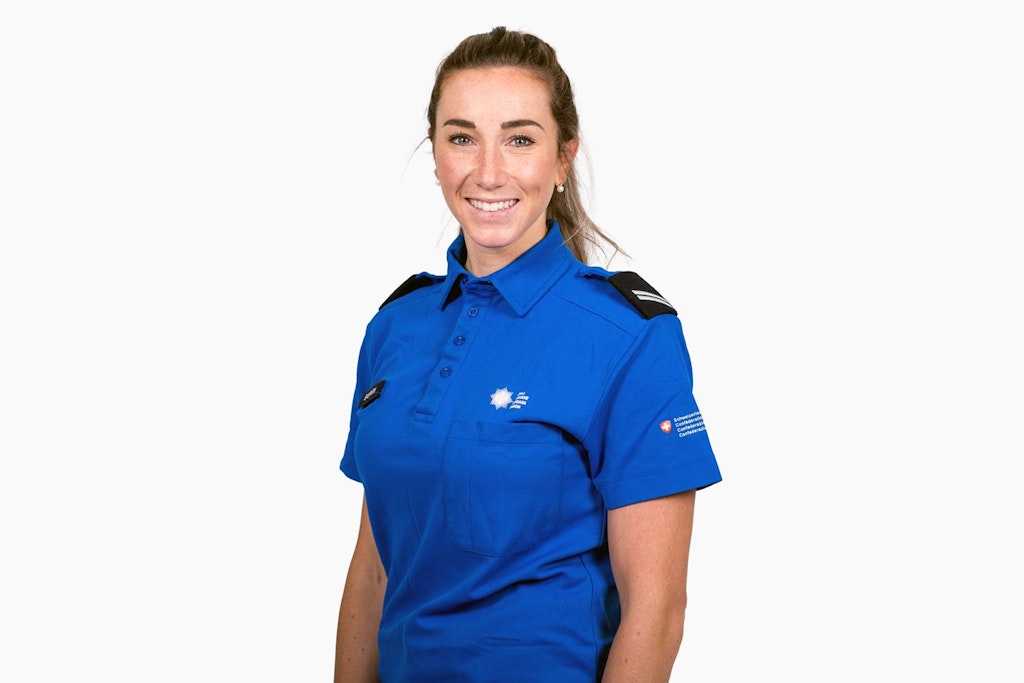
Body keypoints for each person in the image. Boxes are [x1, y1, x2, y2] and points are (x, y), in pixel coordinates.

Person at [334, 26, 722, 683]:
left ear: (563, 158)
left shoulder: (629, 336)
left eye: (520, 139)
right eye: (462, 138)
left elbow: (656, 609)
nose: (488, 172)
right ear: (436, 155)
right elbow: (375, 567)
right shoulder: (395, 326)